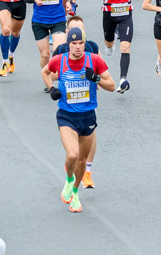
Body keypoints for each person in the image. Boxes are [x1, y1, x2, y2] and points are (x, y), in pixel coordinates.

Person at [43, 27, 115, 213]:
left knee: (82, 161)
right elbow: (45, 72)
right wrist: (52, 88)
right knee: (73, 155)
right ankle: (68, 181)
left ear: (85, 44)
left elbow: (112, 86)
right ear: (68, 45)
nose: (77, 47)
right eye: (74, 44)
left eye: (80, 43)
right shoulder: (60, 60)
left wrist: (97, 78)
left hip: (88, 116)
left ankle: (75, 192)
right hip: (67, 116)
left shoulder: (94, 61)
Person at [89, 0, 136, 88]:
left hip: (126, 11)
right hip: (109, 11)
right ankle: (110, 43)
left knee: (125, 47)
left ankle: (123, 79)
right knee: (109, 44)